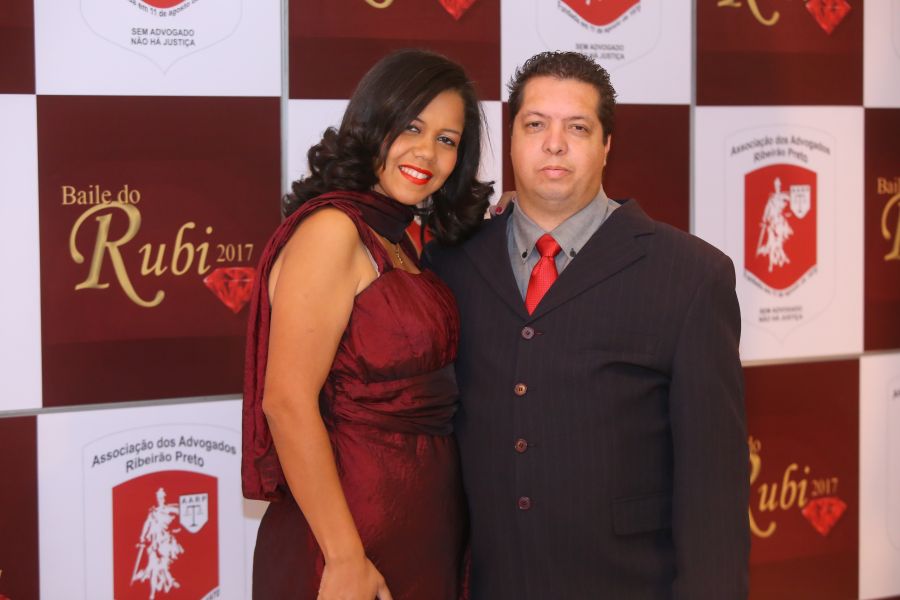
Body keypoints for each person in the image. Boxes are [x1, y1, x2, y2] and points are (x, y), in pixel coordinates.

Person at [425, 51, 750, 599]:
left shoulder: (691, 276)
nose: (554, 144)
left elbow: (714, 486)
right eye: (535, 125)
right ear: (510, 140)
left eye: (577, 127)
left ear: (606, 146)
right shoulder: (451, 263)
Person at [242, 49, 492, 600]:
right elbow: (286, 402)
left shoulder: (397, 238)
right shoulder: (333, 230)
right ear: (373, 121)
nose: (427, 153)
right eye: (412, 127)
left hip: (417, 533)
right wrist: (344, 558)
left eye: (447, 140)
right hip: (347, 546)